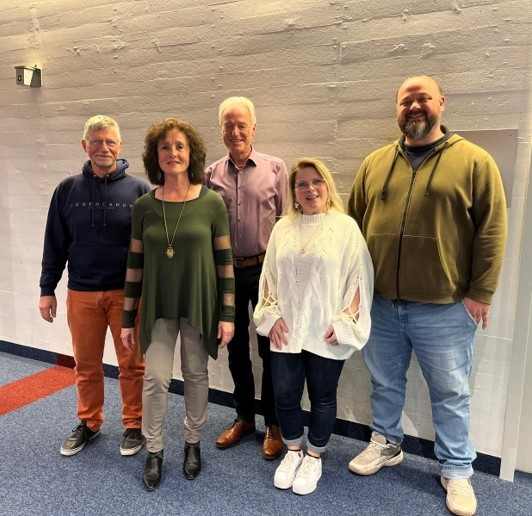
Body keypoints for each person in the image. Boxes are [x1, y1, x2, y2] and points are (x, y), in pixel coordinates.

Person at [347, 75, 507, 516]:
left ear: (441, 103)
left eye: (423, 99)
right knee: (384, 381)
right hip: (381, 302)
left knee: (450, 392)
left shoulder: (474, 162)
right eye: (406, 101)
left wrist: (481, 291)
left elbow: (492, 230)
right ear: (397, 108)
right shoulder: (375, 163)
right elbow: (352, 229)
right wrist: (353, 290)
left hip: (445, 306)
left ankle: (456, 469)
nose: (414, 107)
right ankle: (386, 442)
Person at [120, 117, 235, 491]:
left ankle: (192, 441)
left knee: (196, 374)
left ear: (192, 153)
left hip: (199, 303)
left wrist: (228, 315)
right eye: (165, 147)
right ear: (155, 156)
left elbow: (225, 263)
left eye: (180, 146)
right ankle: (154, 449)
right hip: (156, 307)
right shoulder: (144, 206)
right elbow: (134, 265)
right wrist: (126, 318)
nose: (173, 153)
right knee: (155, 378)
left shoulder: (211, 203)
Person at [253, 158, 374, 495]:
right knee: (285, 396)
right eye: (302, 184)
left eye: (316, 181)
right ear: (293, 191)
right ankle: (293, 451)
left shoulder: (345, 227)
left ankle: (314, 456)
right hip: (286, 330)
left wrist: (345, 321)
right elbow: (269, 276)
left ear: (327, 185)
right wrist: (271, 315)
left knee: (322, 397)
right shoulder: (282, 228)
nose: (310, 189)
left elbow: (359, 277)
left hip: (325, 331)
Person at [39, 115, 150, 457]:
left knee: (133, 365)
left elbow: (151, 249)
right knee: (86, 365)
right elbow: (55, 243)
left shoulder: (139, 192)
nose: (104, 147)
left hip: (127, 296)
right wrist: (47, 289)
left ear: (120, 146)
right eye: (97, 141)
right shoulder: (67, 190)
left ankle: (134, 424)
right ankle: (89, 422)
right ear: (85, 145)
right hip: (82, 293)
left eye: (110, 141)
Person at [205, 96, 288, 460]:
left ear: (253, 127)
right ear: (221, 129)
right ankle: (244, 418)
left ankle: (274, 423)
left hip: (266, 271)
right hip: (226, 273)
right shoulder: (210, 175)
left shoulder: (276, 169)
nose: (235, 131)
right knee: (235, 348)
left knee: (270, 350)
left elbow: (286, 225)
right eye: (229, 125)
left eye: (241, 125)